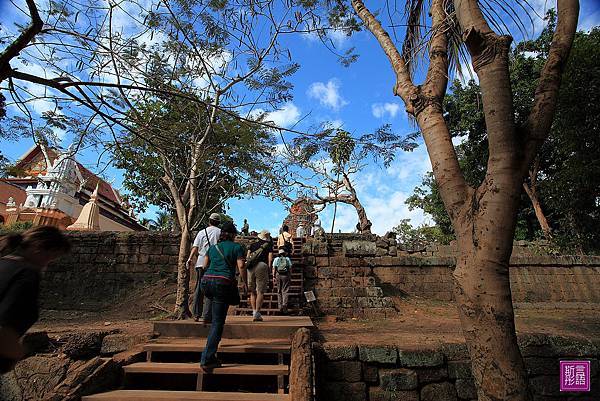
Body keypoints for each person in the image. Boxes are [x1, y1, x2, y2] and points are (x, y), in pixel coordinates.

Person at [0, 226, 71, 373]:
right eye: (50, 257)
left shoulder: (4, 264)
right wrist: (14, 353)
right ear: (38, 248)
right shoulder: (27, 273)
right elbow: (5, 320)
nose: (47, 263)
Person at [200, 221, 247, 371]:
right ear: (233, 235)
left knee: (215, 318)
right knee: (218, 323)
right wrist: (244, 282)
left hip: (207, 282)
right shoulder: (237, 247)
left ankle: (206, 316)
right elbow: (241, 266)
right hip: (223, 283)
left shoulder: (213, 248)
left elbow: (204, 266)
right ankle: (207, 358)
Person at [187, 213, 221, 323]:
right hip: (214, 263)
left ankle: (196, 314)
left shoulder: (202, 232)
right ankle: (208, 314)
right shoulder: (220, 233)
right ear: (219, 222)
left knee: (199, 287)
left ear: (209, 221)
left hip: (201, 262)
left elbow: (195, 247)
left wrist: (190, 258)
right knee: (213, 288)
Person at [246, 230, 273, 322]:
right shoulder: (268, 245)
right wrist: (269, 268)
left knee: (252, 291)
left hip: (251, 267)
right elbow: (270, 258)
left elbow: (248, 256)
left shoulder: (252, 245)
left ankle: (254, 312)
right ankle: (257, 313)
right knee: (260, 291)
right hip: (262, 265)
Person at [272, 248, 292, 314]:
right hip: (286, 275)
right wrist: (290, 275)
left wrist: (273, 276)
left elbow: (274, 268)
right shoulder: (287, 259)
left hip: (278, 275)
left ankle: (280, 306)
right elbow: (290, 268)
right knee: (285, 290)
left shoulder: (276, 259)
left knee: (279, 290)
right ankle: (284, 305)